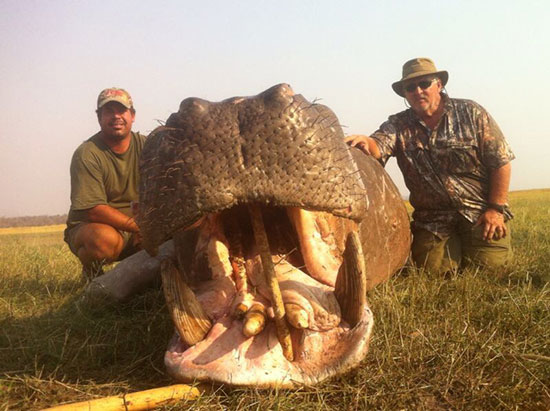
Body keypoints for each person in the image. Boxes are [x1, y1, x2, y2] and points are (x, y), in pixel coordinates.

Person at [346, 58, 514, 273]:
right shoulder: (397, 124)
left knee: (490, 270)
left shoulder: (471, 113)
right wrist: (365, 142)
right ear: (405, 94)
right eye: (410, 88)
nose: (418, 91)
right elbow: (377, 145)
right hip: (433, 221)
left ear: (439, 85)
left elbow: (501, 163)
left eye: (424, 84)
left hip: (479, 211)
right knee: (434, 272)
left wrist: (495, 209)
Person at [64, 87, 146, 280]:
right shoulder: (87, 154)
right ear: (99, 117)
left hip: (142, 225)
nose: (116, 116)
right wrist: (140, 227)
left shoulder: (149, 146)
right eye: (109, 111)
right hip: (100, 226)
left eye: (122, 110)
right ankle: (93, 274)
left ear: (132, 115)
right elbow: (93, 210)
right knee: (102, 241)